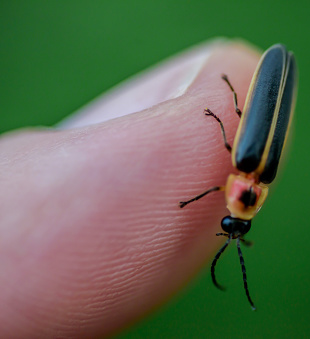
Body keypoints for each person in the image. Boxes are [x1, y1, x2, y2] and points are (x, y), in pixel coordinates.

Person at [0, 40, 260, 338]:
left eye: (229, 223)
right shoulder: (246, 172)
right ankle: (230, 94)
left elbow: (220, 187)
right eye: (231, 224)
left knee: (235, 129)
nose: (227, 223)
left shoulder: (243, 174)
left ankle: (230, 96)